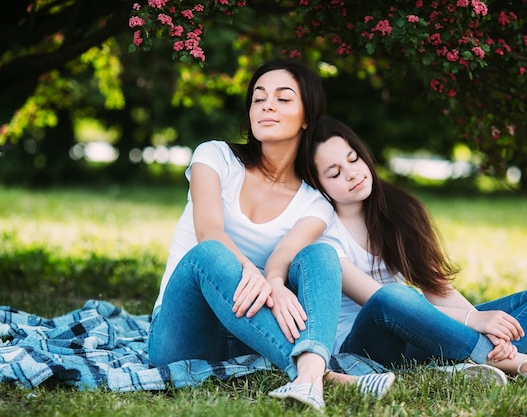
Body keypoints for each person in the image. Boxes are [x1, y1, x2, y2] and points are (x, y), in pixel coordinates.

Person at [147, 60, 395, 413]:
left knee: (320, 254)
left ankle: (307, 379)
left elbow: (288, 253)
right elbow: (209, 230)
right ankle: (323, 376)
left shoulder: (315, 202)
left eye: (283, 99)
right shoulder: (215, 156)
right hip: (183, 336)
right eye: (258, 98)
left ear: (306, 116)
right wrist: (251, 270)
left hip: (251, 335)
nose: (266, 106)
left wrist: (275, 280)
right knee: (211, 255)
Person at [301, 116, 527, 388]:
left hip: (422, 333)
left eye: (353, 159)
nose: (352, 173)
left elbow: (436, 289)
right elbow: (376, 302)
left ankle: (457, 362)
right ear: (318, 185)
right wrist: (474, 321)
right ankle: (519, 363)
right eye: (335, 173)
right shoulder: (322, 234)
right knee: (393, 295)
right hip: (369, 344)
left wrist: (486, 325)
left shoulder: (398, 212)